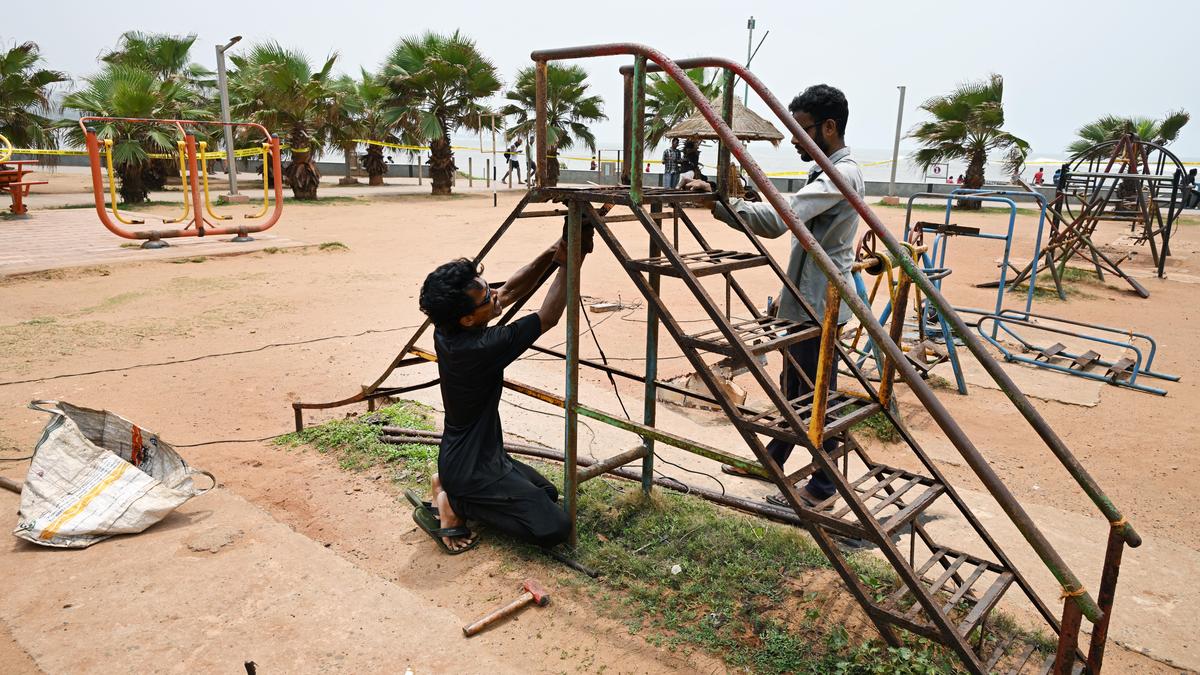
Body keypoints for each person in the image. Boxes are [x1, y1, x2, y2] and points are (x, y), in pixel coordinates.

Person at [685, 84, 862, 509]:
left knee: (814, 395)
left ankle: (823, 487)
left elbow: (781, 220)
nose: (797, 140)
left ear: (829, 127)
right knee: (795, 387)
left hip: (819, 302)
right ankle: (774, 458)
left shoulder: (841, 173)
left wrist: (720, 202)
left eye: (802, 130)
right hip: (807, 297)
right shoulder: (827, 171)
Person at [413, 233, 588, 553]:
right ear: (467, 319)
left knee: (546, 494)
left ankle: (448, 486)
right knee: (554, 527)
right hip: (471, 469)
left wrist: (556, 249)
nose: (495, 295)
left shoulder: (447, 326)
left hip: (478, 456)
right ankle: (455, 503)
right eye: (486, 298)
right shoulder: (481, 348)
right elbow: (548, 316)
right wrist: (571, 262)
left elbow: (508, 290)